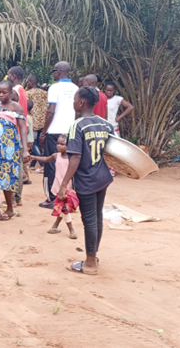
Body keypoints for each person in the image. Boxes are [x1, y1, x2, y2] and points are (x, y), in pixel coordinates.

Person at [62, 86, 114, 276]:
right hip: (103, 177)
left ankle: (90, 262)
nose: (73, 102)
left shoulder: (78, 126)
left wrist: (63, 183)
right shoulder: (106, 124)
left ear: (81, 102)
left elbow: (75, 158)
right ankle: (93, 255)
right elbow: (114, 152)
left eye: (75, 99)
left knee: (90, 219)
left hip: (86, 180)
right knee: (97, 217)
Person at [0, 81, 28, 222]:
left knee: (6, 178)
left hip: (9, 147)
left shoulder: (16, 107)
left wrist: (25, 150)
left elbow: (22, 128)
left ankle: (10, 209)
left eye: (4, 92)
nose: (1, 94)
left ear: (11, 93)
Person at [39, 61, 78, 209]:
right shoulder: (76, 88)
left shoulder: (55, 88)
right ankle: (68, 196)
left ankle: (52, 198)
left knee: (51, 165)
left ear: (59, 71)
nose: (53, 74)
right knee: (69, 165)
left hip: (55, 132)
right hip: (70, 132)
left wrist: (43, 132)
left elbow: (51, 111)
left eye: (54, 71)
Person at [29, 134, 77, 239]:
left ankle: (67, 229)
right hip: (57, 185)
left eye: (62, 144)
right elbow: (46, 159)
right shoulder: (56, 155)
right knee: (62, 206)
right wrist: (34, 157)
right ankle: (60, 227)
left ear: (69, 145)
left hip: (66, 187)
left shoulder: (72, 157)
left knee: (63, 207)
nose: (58, 146)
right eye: (58, 143)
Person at [7, 66, 31, 189]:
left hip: (15, 130)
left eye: (8, 75)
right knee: (19, 164)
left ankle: (15, 196)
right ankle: (17, 197)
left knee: (15, 165)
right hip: (22, 129)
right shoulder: (22, 90)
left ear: (13, 76)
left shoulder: (14, 91)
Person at [26, 75, 49, 173]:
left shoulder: (28, 93)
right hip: (44, 121)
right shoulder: (45, 93)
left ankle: (43, 164)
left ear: (31, 82)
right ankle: (32, 165)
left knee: (33, 144)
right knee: (41, 145)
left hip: (34, 122)